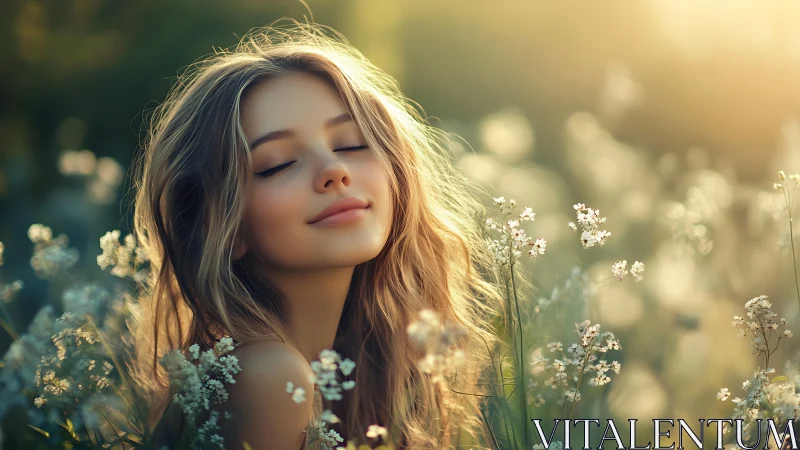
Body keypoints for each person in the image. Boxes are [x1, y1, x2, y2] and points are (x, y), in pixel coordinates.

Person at [128, 18, 506, 450]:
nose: (334, 171)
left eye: (350, 143)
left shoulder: (331, 369)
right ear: (222, 228)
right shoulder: (269, 376)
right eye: (277, 164)